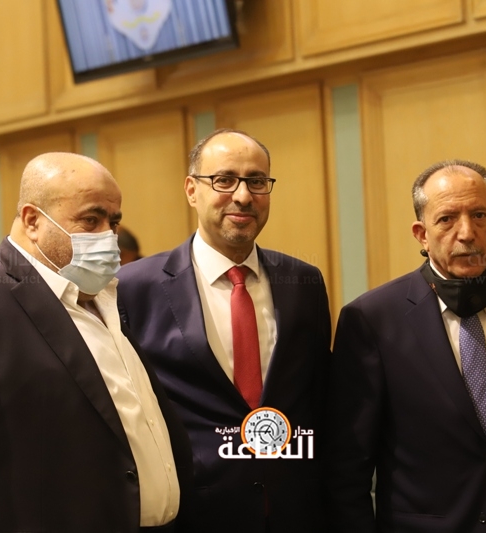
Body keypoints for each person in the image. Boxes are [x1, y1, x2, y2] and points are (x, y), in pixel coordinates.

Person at [0, 152, 193, 533]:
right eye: (91, 220)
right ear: (32, 220)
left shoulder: (103, 297)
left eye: (113, 222)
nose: (108, 237)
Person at [326, 160, 486, 532]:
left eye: (479, 216)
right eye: (446, 219)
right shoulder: (371, 320)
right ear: (421, 234)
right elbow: (348, 470)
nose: (467, 233)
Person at [116, 129, 332, 533]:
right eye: (224, 180)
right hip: (191, 514)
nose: (244, 196)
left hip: (293, 511)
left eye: (257, 181)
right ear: (191, 190)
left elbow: (319, 399)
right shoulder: (133, 288)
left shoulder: (304, 282)